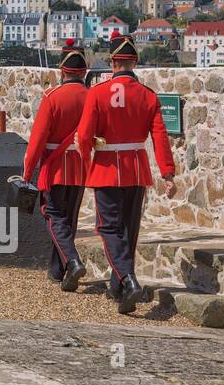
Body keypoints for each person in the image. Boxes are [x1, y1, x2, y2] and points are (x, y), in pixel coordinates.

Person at [75, 30, 177, 314]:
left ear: (113, 62)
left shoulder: (96, 93)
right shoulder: (148, 96)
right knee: (129, 230)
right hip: (136, 168)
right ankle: (118, 285)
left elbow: (84, 137)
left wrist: (85, 163)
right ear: (134, 62)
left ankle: (129, 281)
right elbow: (160, 138)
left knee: (108, 228)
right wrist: (168, 173)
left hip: (106, 168)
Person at [22, 38, 90, 290]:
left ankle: (72, 261)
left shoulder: (53, 97)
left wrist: (28, 173)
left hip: (55, 166)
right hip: (81, 166)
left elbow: (37, 140)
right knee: (68, 219)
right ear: (84, 71)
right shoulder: (93, 97)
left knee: (53, 216)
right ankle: (57, 270)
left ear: (62, 70)